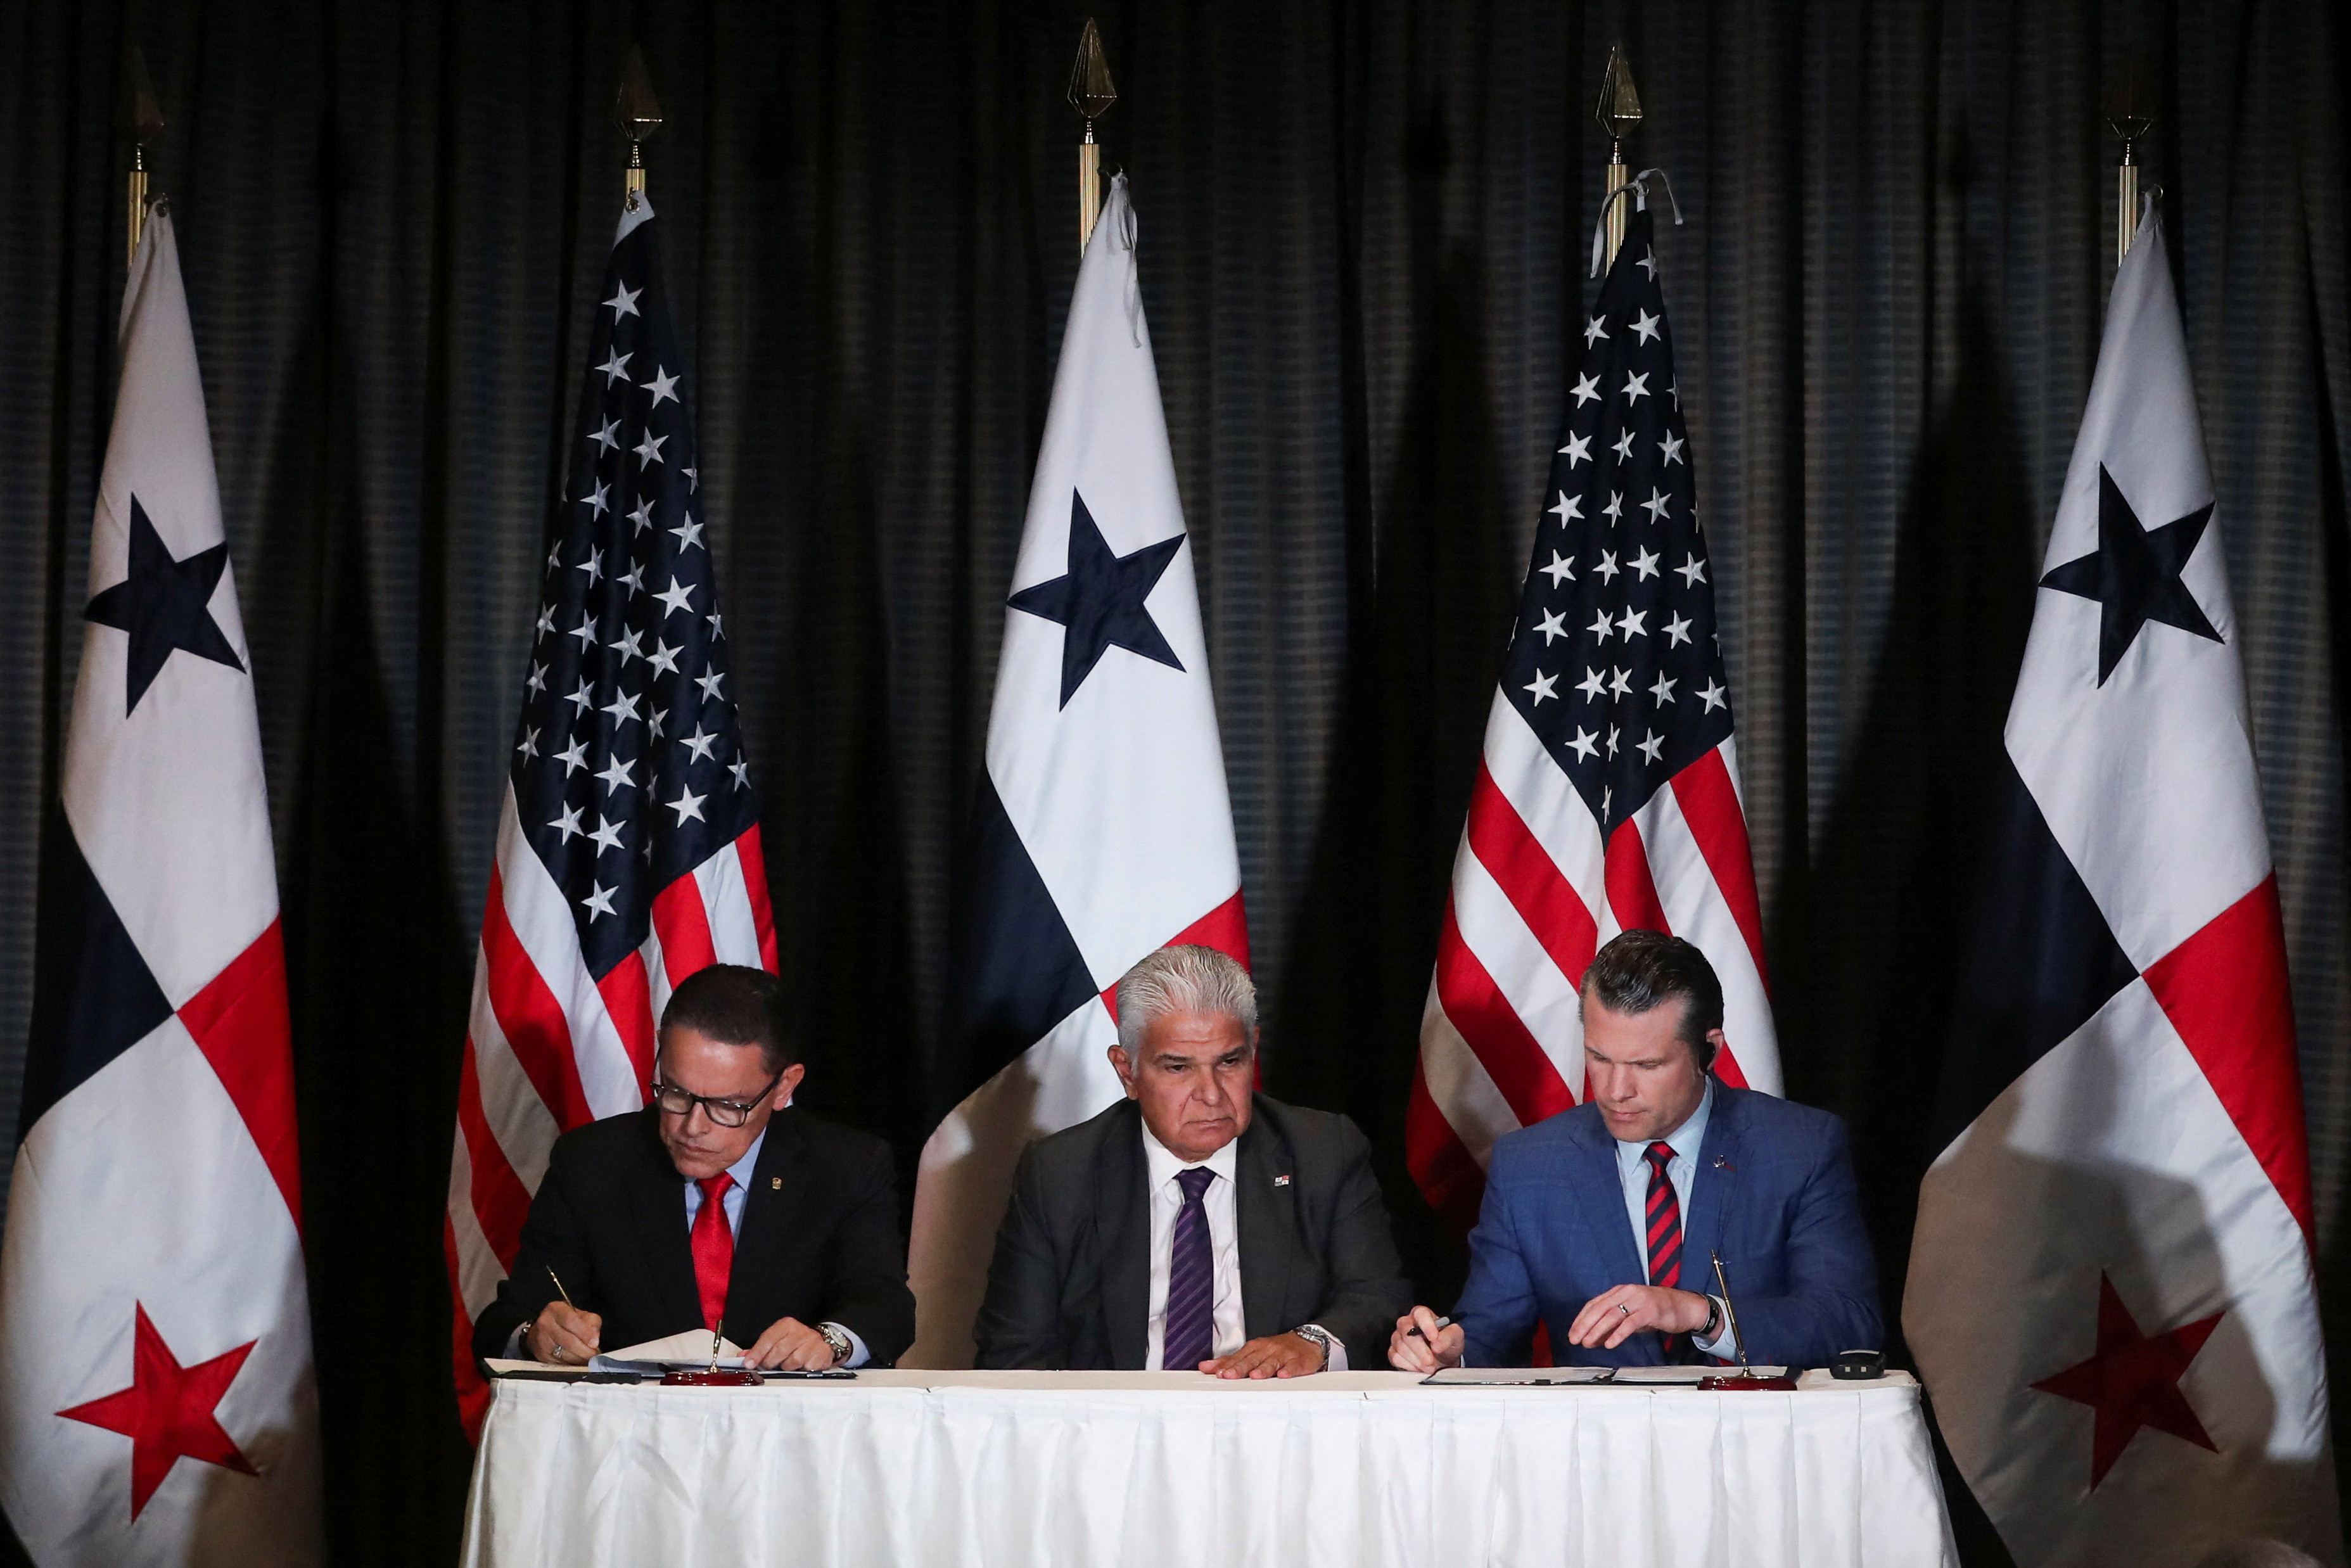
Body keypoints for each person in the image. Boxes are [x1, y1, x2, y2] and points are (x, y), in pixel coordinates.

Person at [1389, 930, 1880, 1373]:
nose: (1614, 1089)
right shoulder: (1531, 1165)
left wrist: (1698, 1311)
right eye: (1598, 1057)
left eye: (1645, 1064)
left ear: (1709, 1050)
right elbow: (1488, 1330)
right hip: (1597, 1453)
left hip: (1756, 1443)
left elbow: (1848, 1322)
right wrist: (1448, 1348)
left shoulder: (1800, 1147)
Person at [974, 945, 1410, 1375]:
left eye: (1229, 1061)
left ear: (1252, 1050)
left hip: (1273, 1423)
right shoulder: (1061, 1172)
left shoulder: (1322, 1151)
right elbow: (1013, 1351)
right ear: (1127, 1072)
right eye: (1178, 1067)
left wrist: (1312, 1340)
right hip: (1118, 1432)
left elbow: (1377, 1298)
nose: (1210, 1093)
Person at [471, 964, 915, 1371]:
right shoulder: (592, 1162)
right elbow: (507, 1318)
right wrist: (535, 1335)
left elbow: (883, 1304)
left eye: (726, 1105)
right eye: (676, 1092)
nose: (692, 1127)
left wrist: (830, 1340)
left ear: (784, 1087)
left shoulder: (845, 1166)